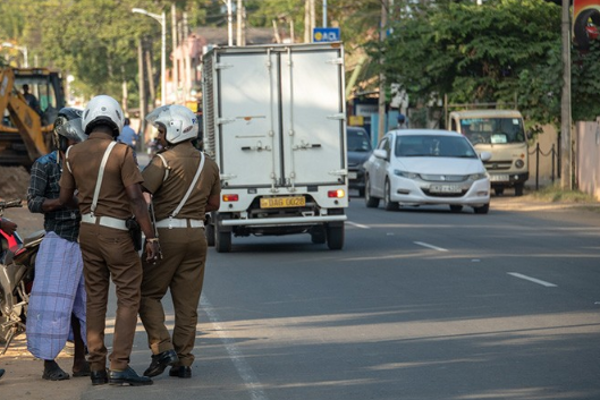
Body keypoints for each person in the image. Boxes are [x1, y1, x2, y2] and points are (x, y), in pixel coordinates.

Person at [57, 95, 161, 386]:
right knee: (129, 296)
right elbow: (137, 201)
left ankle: (97, 367)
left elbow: (65, 199)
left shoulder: (73, 153)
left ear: (89, 120)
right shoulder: (121, 152)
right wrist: (151, 237)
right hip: (116, 234)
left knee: (95, 299)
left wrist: (90, 205)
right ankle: (119, 365)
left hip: (87, 233)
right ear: (116, 121)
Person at [138, 105, 220, 379]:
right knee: (187, 305)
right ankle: (184, 362)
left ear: (173, 130)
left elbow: (142, 194)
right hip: (197, 236)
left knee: (146, 294)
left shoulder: (163, 161)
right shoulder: (209, 163)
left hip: (167, 235)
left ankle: (163, 348)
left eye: (161, 130)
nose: (159, 136)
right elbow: (215, 203)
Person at [26, 108, 89, 381]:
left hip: (85, 241)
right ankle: (49, 364)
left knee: (83, 306)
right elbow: (32, 202)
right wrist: (60, 202)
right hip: (58, 240)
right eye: (71, 141)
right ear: (61, 140)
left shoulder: (86, 165)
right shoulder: (45, 164)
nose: (75, 146)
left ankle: (81, 361)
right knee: (51, 307)